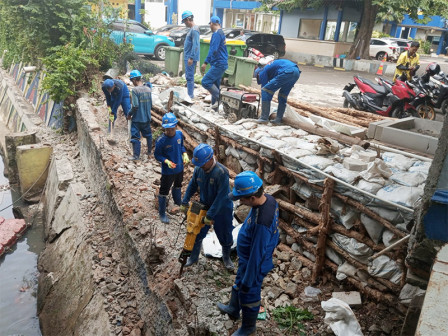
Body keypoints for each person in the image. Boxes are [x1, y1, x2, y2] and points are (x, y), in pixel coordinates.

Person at [217, 171, 279, 336]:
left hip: (255, 263)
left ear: (252, 197)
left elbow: (257, 255)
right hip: (246, 259)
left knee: (248, 290)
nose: (240, 202)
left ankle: (248, 327)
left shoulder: (262, 223)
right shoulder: (268, 200)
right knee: (239, 281)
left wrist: (250, 278)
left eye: (241, 199)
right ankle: (233, 308)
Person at [180, 144, 234, 270]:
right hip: (204, 205)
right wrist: (184, 201)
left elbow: (222, 197)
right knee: (196, 232)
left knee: (225, 234)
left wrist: (210, 215)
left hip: (222, 209)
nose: (201, 166)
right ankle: (193, 257)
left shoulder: (221, 172)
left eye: (203, 164)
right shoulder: (199, 169)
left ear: (211, 159)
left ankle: (226, 257)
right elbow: (192, 184)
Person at [154, 112, 189, 224]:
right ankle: (162, 213)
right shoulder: (161, 141)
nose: (169, 131)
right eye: (167, 129)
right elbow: (157, 155)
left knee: (178, 185)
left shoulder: (179, 135)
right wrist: (166, 161)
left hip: (179, 167)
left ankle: (178, 201)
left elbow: (181, 146)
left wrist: (185, 154)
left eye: (171, 128)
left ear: (175, 126)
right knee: (164, 191)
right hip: (168, 171)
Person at [254, 59, 301, 124]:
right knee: (282, 95)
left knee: (265, 90)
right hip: (296, 72)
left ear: (258, 74)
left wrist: (265, 99)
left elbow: (265, 89)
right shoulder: (270, 68)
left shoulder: (262, 71)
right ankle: (278, 120)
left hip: (287, 72)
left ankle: (264, 118)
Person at [201, 16, 228, 111]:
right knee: (215, 85)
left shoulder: (216, 34)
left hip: (218, 64)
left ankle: (221, 99)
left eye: (210, 25)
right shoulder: (221, 33)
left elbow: (213, 50)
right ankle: (214, 108)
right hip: (221, 63)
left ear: (212, 24)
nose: (210, 27)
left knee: (205, 82)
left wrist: (205, 62)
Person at [127, 70, 153, 160]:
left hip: (137, 119)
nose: (132, 82)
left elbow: (135, 106)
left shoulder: (135, 90)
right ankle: (149, 152)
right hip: (147, 118)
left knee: (135, 137)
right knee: (148, 135)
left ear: (134, 80)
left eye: (131, 80)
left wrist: (129, 114)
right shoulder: (148, 89)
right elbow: (151, 105)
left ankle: (136, 156)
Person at [181, 10, 200, 99]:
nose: (185, 23)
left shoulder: (195, 30)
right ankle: (190, 94)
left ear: (189, 19)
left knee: (189, 77)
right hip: (188, 56)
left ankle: (190, 96)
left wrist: (191, 57)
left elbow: (196, 44)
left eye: (185, 21)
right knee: (189, 76)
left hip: (190, 57)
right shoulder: (192, 30)